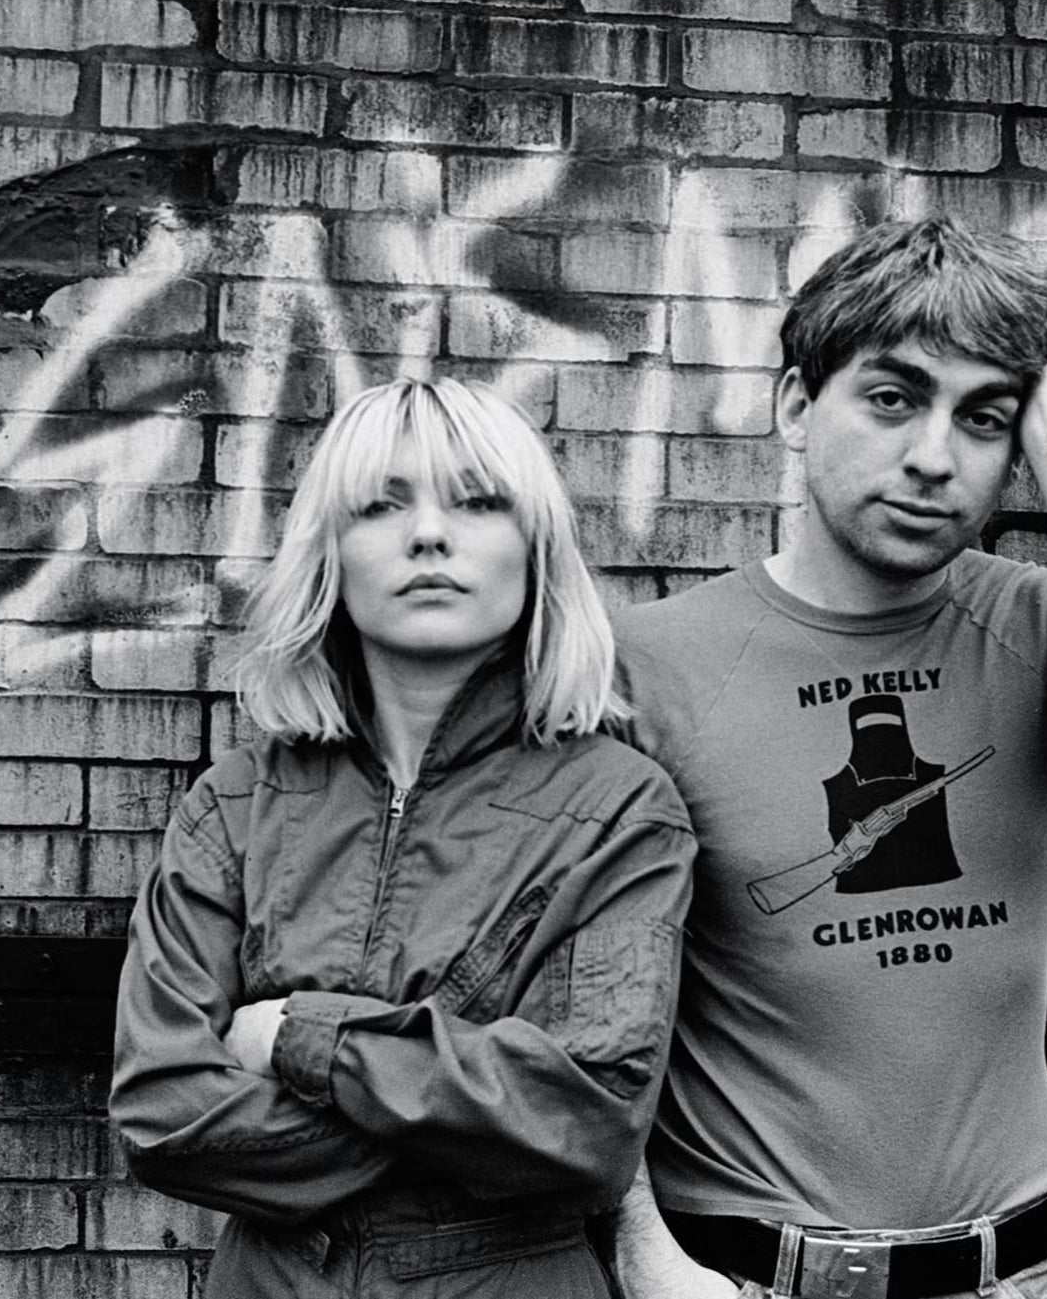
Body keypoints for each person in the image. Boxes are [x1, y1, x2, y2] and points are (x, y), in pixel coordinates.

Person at [609, 219, 1047, 1299]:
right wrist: (642, 1251)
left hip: (1026, 1268)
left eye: (982, 418)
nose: (932, 456)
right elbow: (583, 993)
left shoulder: (1039, 625)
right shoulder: (649, 661)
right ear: (792, 405)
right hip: (746, 1273)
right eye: (890, 397)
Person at [111, 376, 697, 1297]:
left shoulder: (619, 813)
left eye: (477, 501)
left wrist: (306, 1039)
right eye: (381, 505)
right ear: (330, 555)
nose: (429, 534)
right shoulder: (235, 803)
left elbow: (584, 1128)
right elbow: (161, 1113)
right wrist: (462, 1112)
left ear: (535, 550)